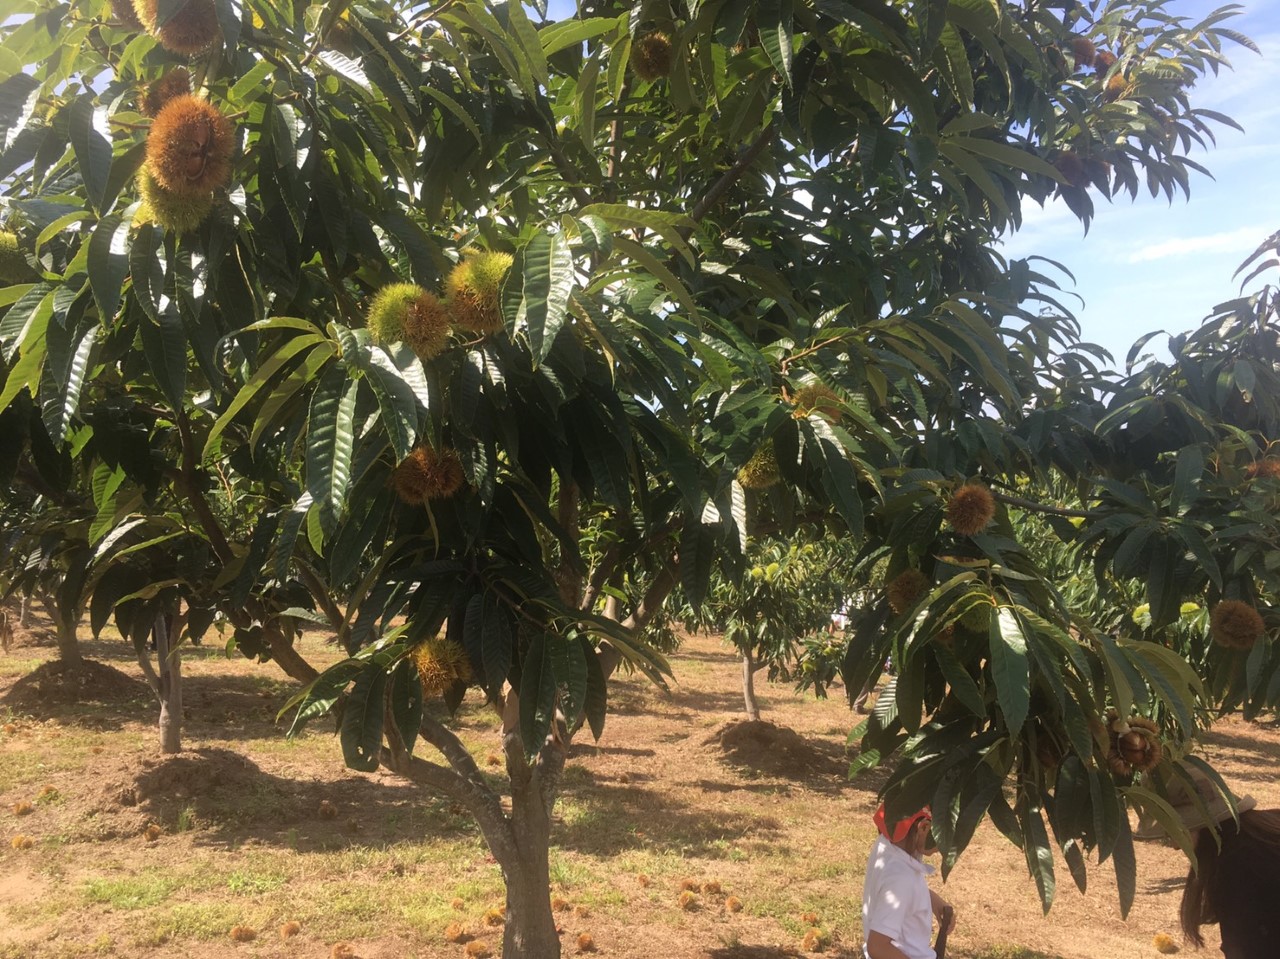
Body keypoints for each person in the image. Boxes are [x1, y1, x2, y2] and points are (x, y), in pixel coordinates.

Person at [1146, 768, 1280, 957]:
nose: (1175, 845)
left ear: (1197, 825)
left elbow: (1249, 948)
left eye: (1174, 833)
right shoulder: (1265, 827)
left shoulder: (1235, 867)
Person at [862, 803, 956, 959]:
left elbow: (897, 892)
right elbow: (878, 947)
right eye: (944, 836)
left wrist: (934, 901)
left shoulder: (887, 848)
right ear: (924, 827)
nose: (942, 847)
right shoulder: (901, 878)